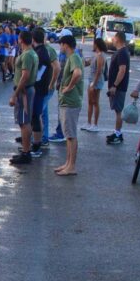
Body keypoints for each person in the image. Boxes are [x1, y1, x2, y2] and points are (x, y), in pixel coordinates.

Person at [54, 34, 85, 176]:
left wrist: (69, 87)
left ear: (65, 45)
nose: (60, 47)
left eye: (61, 44)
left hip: (71, 102)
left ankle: (71, 166)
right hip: (68, 102)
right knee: (68, 135)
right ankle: (68, 163)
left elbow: (77, 73)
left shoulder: (74, 58)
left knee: (71, 135)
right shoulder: (73, 57)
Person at [9, 31, 38, 166]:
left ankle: (26, 153)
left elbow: (25, 76)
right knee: (25, 121)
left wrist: (15, 94)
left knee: (24, 122)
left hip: (24, 91)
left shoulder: (27, 55)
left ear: (20, 40)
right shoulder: (31, 53)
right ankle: (26, 150)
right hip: (27, 90)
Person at [29, 28, 57, 154]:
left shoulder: (41, 53)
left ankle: (37, 145)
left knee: (37, 116)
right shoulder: (42, 51)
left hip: (39, 89)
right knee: (38, 115)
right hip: (40, 89)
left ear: (33, 39)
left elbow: (37, 75)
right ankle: (36, 142)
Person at [105, 31, 131, 144]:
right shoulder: (120, 52)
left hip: (119, 88)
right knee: (117, 110)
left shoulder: (122, 53)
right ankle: (116, 132)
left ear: (118, 39)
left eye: (114, 38)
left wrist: (115, 85)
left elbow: (122, 70)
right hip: (116, 87)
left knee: (118, 111)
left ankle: (118, 134)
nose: (112, 40)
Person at [85, 37, 108, 132]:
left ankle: (95, 124)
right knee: (90, 101)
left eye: (94, 44)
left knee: (95, 102)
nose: (92, 45)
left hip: (96, 81)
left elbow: (99, 71)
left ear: (97, 45)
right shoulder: (95, 55)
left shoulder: (100, 56)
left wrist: (94, 84)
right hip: (91, 80)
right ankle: (88, 123)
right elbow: (87, 63)